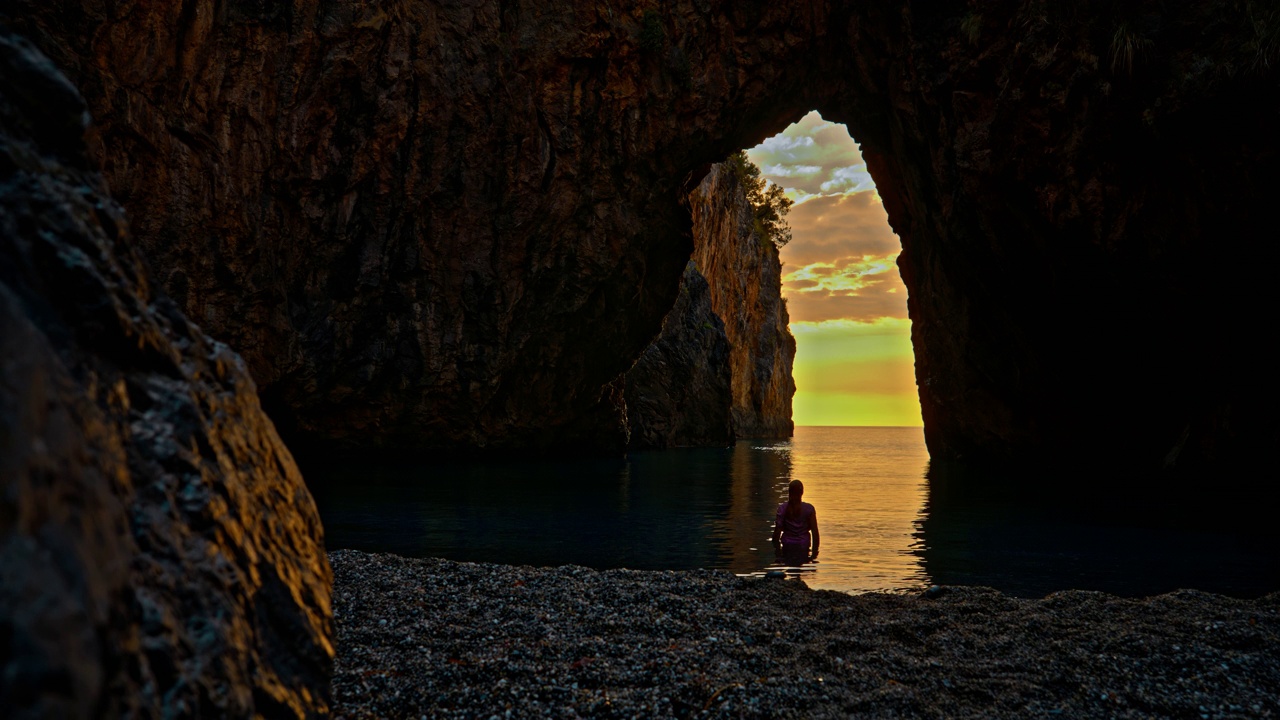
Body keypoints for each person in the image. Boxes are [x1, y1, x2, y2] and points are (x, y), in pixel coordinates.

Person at [772, 479, 819, 566]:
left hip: (786, 544)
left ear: (789, 492)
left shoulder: (782, 509)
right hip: (804, 545)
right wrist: (814, 555)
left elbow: (777, 533)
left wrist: (777, 555)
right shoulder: (809, 509)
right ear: (802, 492)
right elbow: (815, 534)